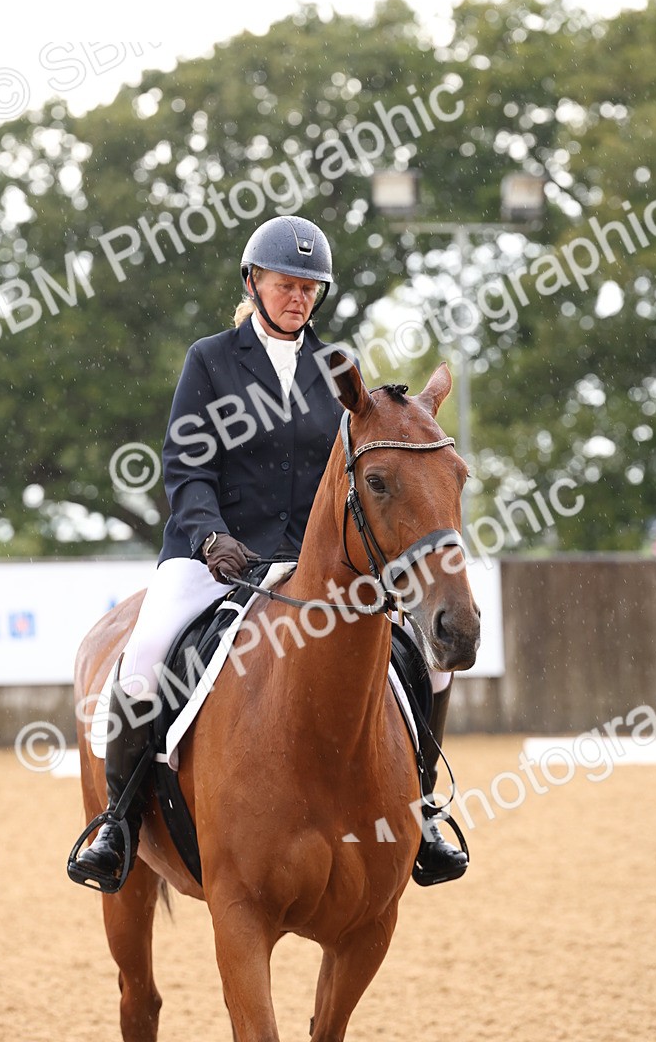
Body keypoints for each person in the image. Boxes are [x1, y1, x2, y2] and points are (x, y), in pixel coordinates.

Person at [72, 214, 465, 889]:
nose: (299, 299)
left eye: (310, 289)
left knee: (428, 667)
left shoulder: (337, 370)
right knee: (143, 661)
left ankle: (421, 810)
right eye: (287, 285)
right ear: (254, 284)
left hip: (308, 565)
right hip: (212, 557)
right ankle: (119, 822)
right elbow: (185, 465)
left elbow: (354, 468)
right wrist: (208, 534)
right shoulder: (212, 360)